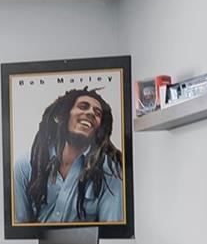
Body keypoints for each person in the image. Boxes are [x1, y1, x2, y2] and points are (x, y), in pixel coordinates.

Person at [12, 87, 125, 224]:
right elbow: (19, 232)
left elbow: (111, 232)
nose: (90, 113)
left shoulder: (110, 172)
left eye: (98, 113)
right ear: (61, 116)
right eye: (83, 106)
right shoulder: (24, 166)